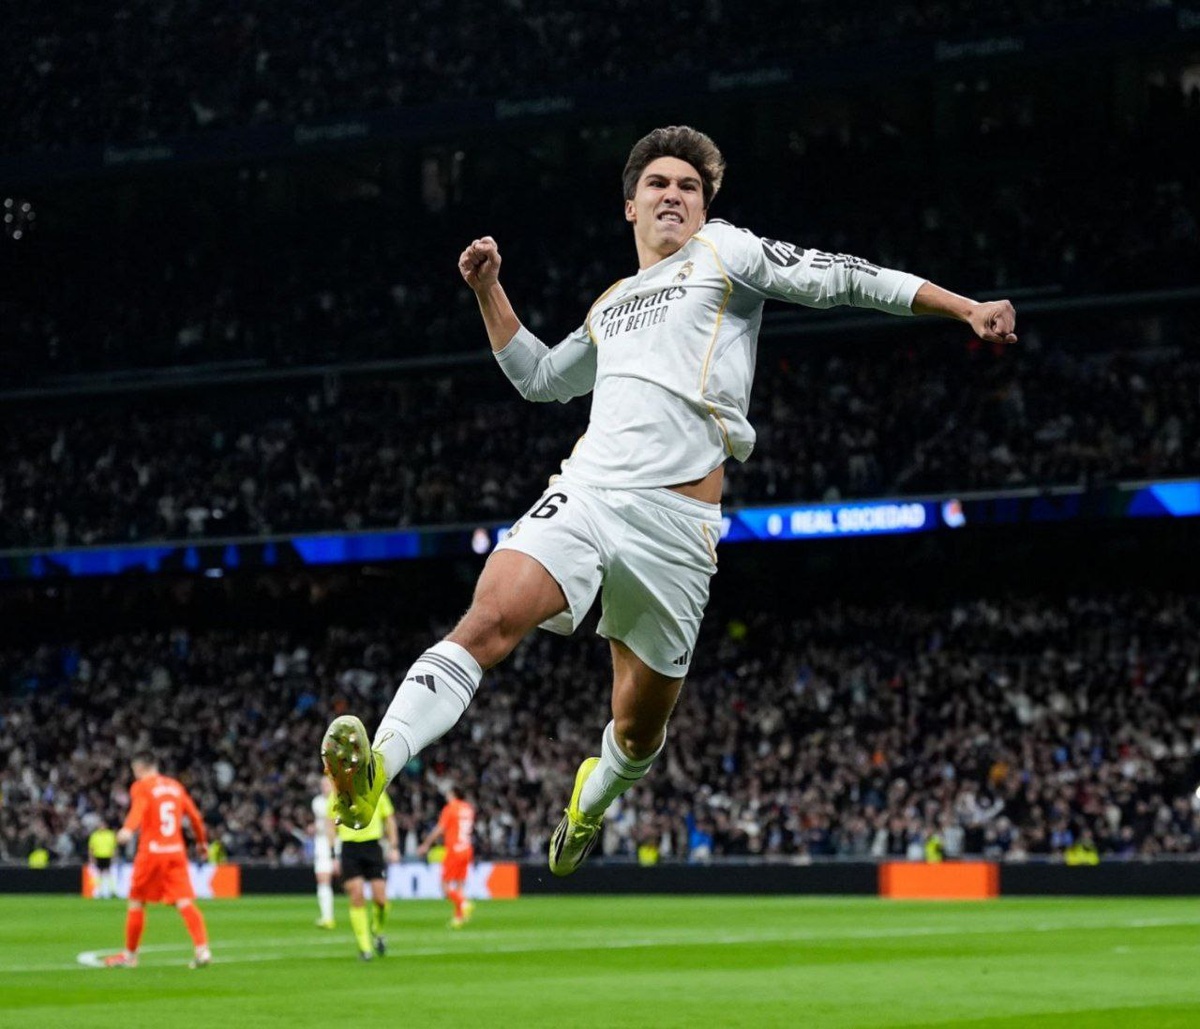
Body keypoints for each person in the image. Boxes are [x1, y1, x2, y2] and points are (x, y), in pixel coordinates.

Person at [322, 124, 1018, 877]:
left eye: (690, 186)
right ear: (630, 205)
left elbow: (847, 278)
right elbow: (542, 379)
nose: (674, 195)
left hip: (678, 530)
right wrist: (489, 290)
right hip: (589, 493)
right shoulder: (612, 303)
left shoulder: (726, 251)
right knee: (490, 616)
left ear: (704, 206)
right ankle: (376, 769)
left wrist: (963, 307)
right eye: (658, 183)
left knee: (637, 730)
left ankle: (588, 802)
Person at [103, 752, 212, 969]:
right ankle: (202, 951)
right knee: (184, 901)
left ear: (139, 768)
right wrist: (201, 843)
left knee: (136, 902)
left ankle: (130, 956)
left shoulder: (142, 786)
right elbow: (195, 816)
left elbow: (139, 808)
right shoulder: (175, 786)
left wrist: (128, 829)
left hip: (152, 852)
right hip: (176, 851)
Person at [335, 785, 399, 960]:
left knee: (381, 900)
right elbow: (330, 822)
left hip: (372, 847)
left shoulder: (376, 791)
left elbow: (389, 819)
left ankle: (377, 929)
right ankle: (365, 948)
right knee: (357, 895)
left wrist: (394, 846)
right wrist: (333, 854)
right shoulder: (339, 791)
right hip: (349, 848)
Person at [416, 785, 476, 928]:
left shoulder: (450, 808)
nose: (446, 796)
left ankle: (463, 903)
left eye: (448, 793)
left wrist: (426, 844)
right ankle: (459, 918)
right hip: (467, 849)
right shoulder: (468, 808)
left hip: (454, 850)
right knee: (460, 885)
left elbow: (440, 829)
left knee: (444, 886)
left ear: (454, 794)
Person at [311, 777, 338, 928]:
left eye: (327, 784)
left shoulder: (342, 799)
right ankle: (327, 917)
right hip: (322, 844)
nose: (324, 787)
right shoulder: (317, 802)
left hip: (340, 842)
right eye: (322, 784)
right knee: (323, 878)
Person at [88, 819, 118, 899]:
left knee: (109, 873)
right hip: (98, 856)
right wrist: (91, 857)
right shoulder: (94, 835)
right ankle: (99, 891)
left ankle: (112, 891)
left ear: (106, 826)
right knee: (99, 874)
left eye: (103, 825)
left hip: (108, 856)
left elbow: (114, 847)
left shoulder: (110, 835)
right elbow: (91, 848)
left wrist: (114, 856)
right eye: (100, 825)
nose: (102, 827)